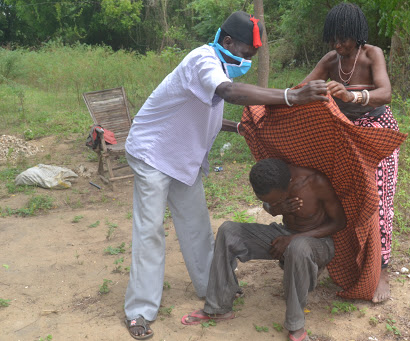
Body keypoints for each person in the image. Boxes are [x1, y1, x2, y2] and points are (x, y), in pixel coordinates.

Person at [123, 11, 329, 340]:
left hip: (182, 159)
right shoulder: (203, 61)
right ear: (228, 42)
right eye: (246, 54)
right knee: (150, 233)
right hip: (153, 153)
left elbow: (207, 113)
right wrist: (291, 96)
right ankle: (139, 311)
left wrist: (242, 128)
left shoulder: (218, 65)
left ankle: (213, 289)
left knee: (196, 227)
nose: (247, 60)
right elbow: (230, 93)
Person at [182, 158, 346, 341]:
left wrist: (293, 239)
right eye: (265, 200)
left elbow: (339, 222)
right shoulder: (271, 181)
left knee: (298, 247)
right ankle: (218, 307)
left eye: (277, 200)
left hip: (318, 244)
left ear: (288, 185)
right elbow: (270, 207)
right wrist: (276, 208)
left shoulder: (315, 182)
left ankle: (296, 327)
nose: (270, 203)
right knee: (229, 231)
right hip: (285, 235)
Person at [302, 2, 400, 303]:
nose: (337, 44)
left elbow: (386, 92)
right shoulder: (331, 59)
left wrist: (352, 95)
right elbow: (301, 88)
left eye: (343, 38)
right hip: (343, 133)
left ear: (357, 35)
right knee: (340, 195)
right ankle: (336, 258)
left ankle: (381, 269)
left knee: (378, 198)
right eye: (333, 38)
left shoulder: (372, 54)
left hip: (376, 131)